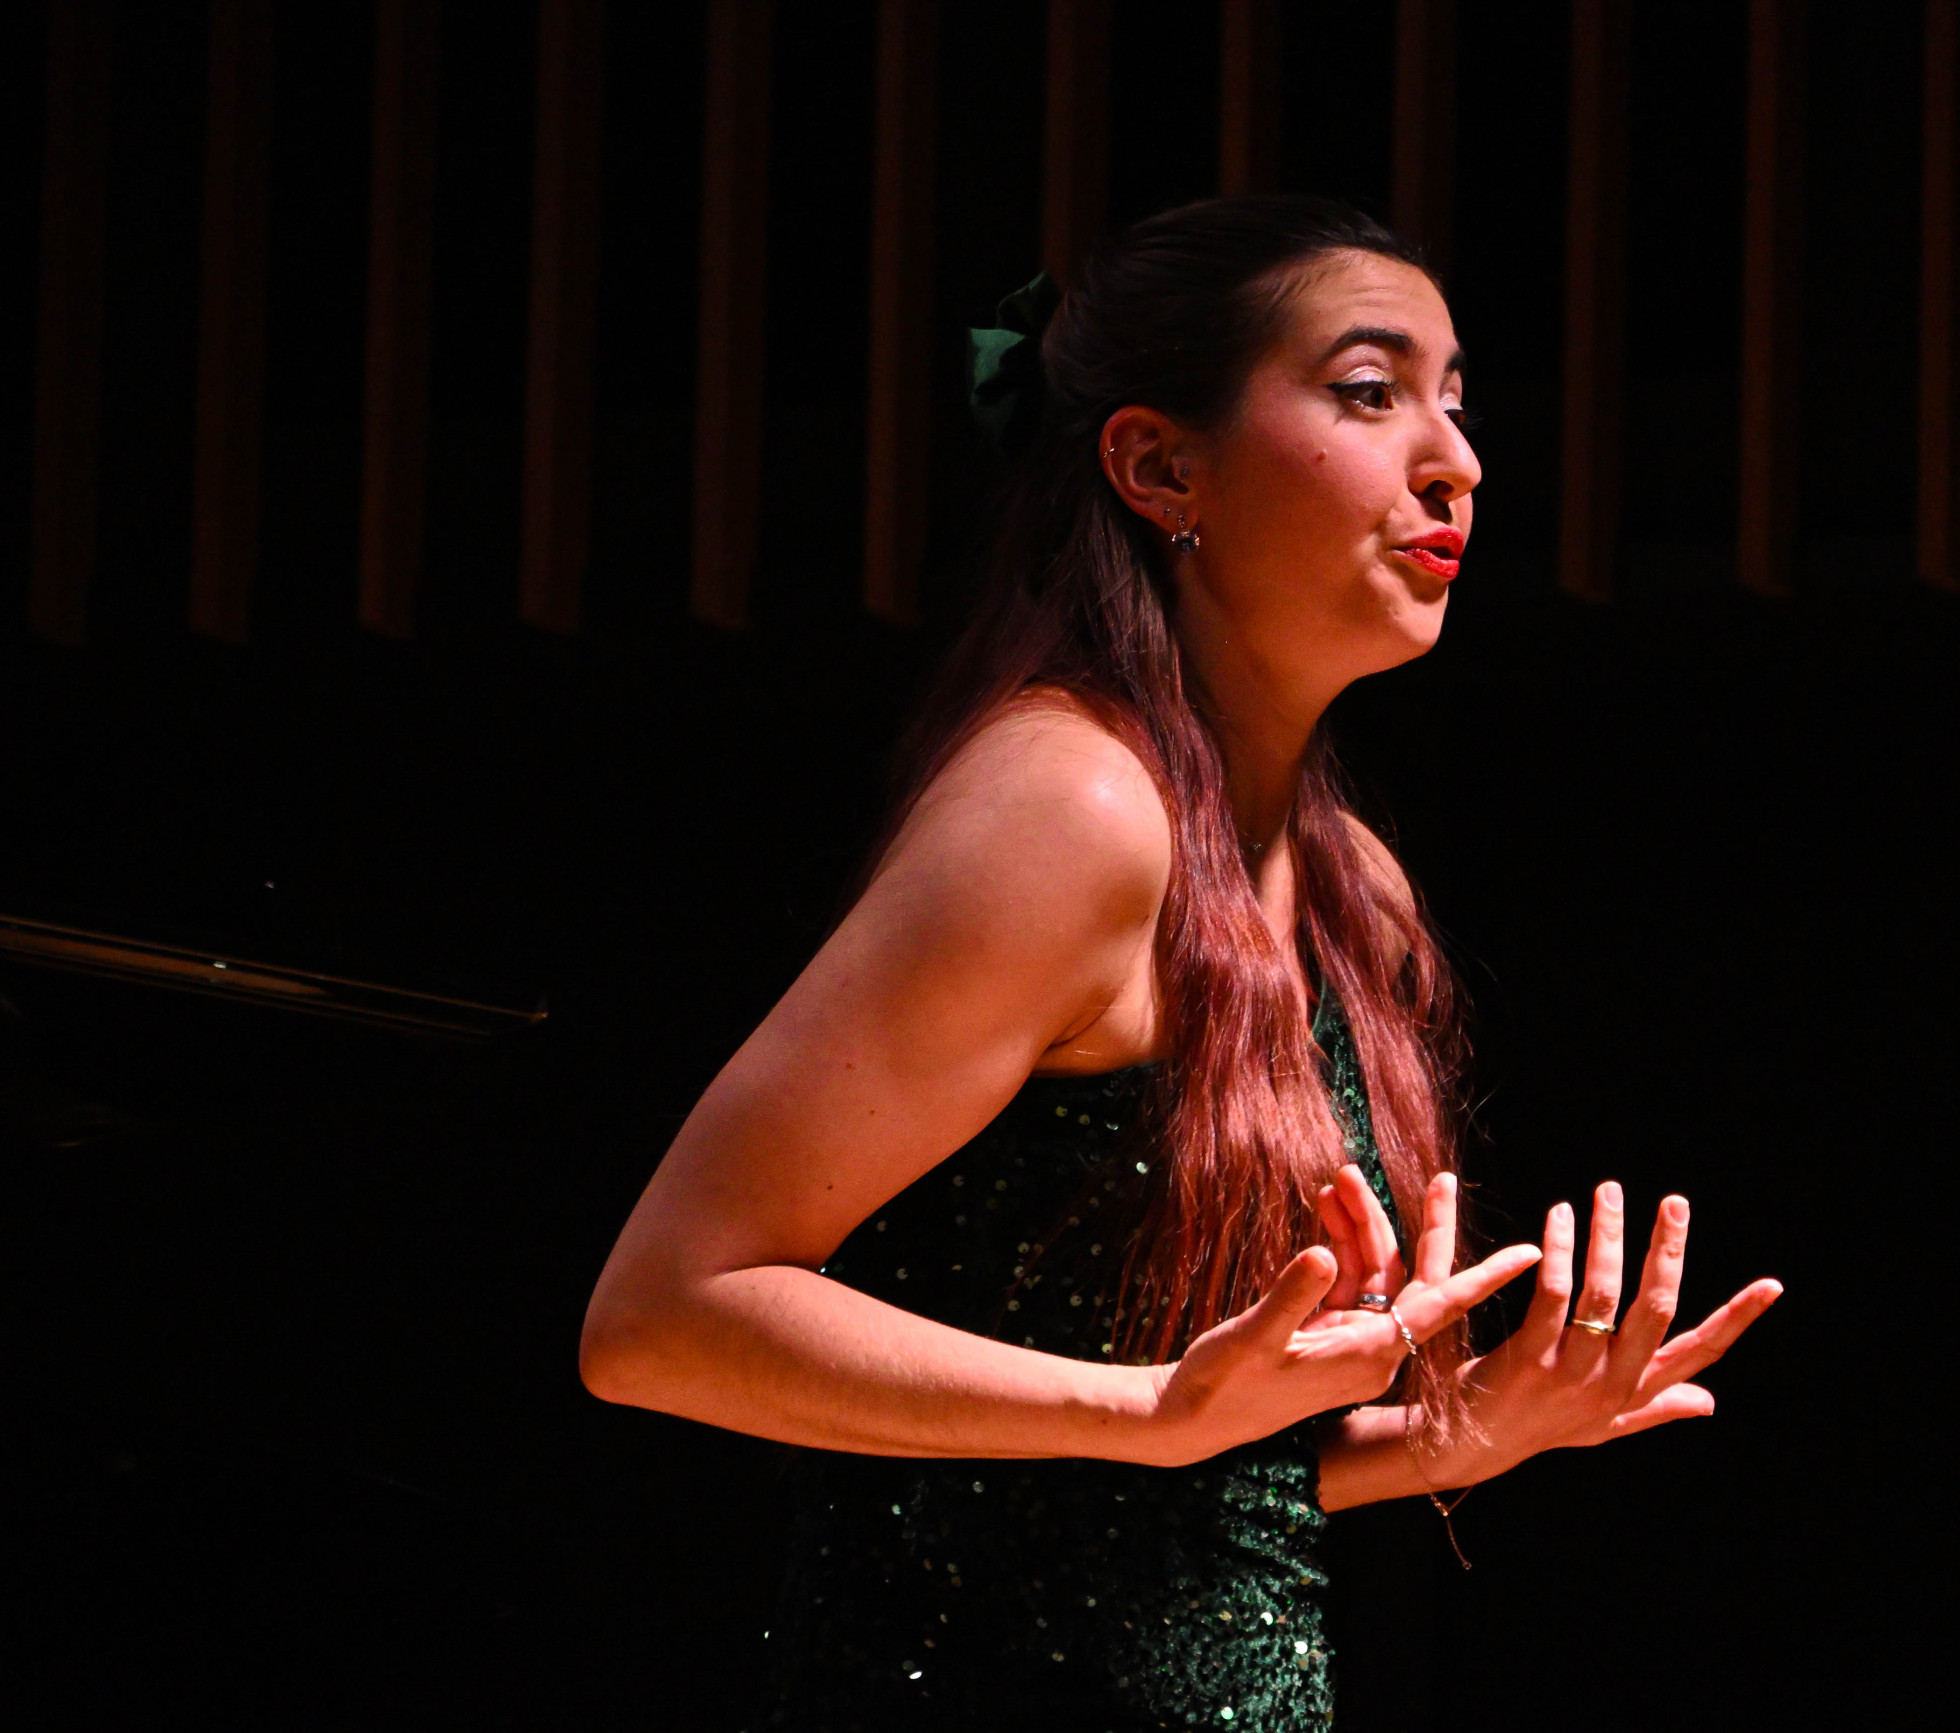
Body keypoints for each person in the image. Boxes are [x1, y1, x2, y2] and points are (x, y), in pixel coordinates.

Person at [579, 196, 1782, 1732]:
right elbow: (660, 1316)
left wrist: (1456, 1435)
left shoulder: (1355, 890)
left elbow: (1160, 1494)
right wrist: (1149, 1408)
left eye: (1457, 400)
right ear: (1159, 467)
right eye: (1371, 392)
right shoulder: (1069, 810)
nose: (1458, 462)